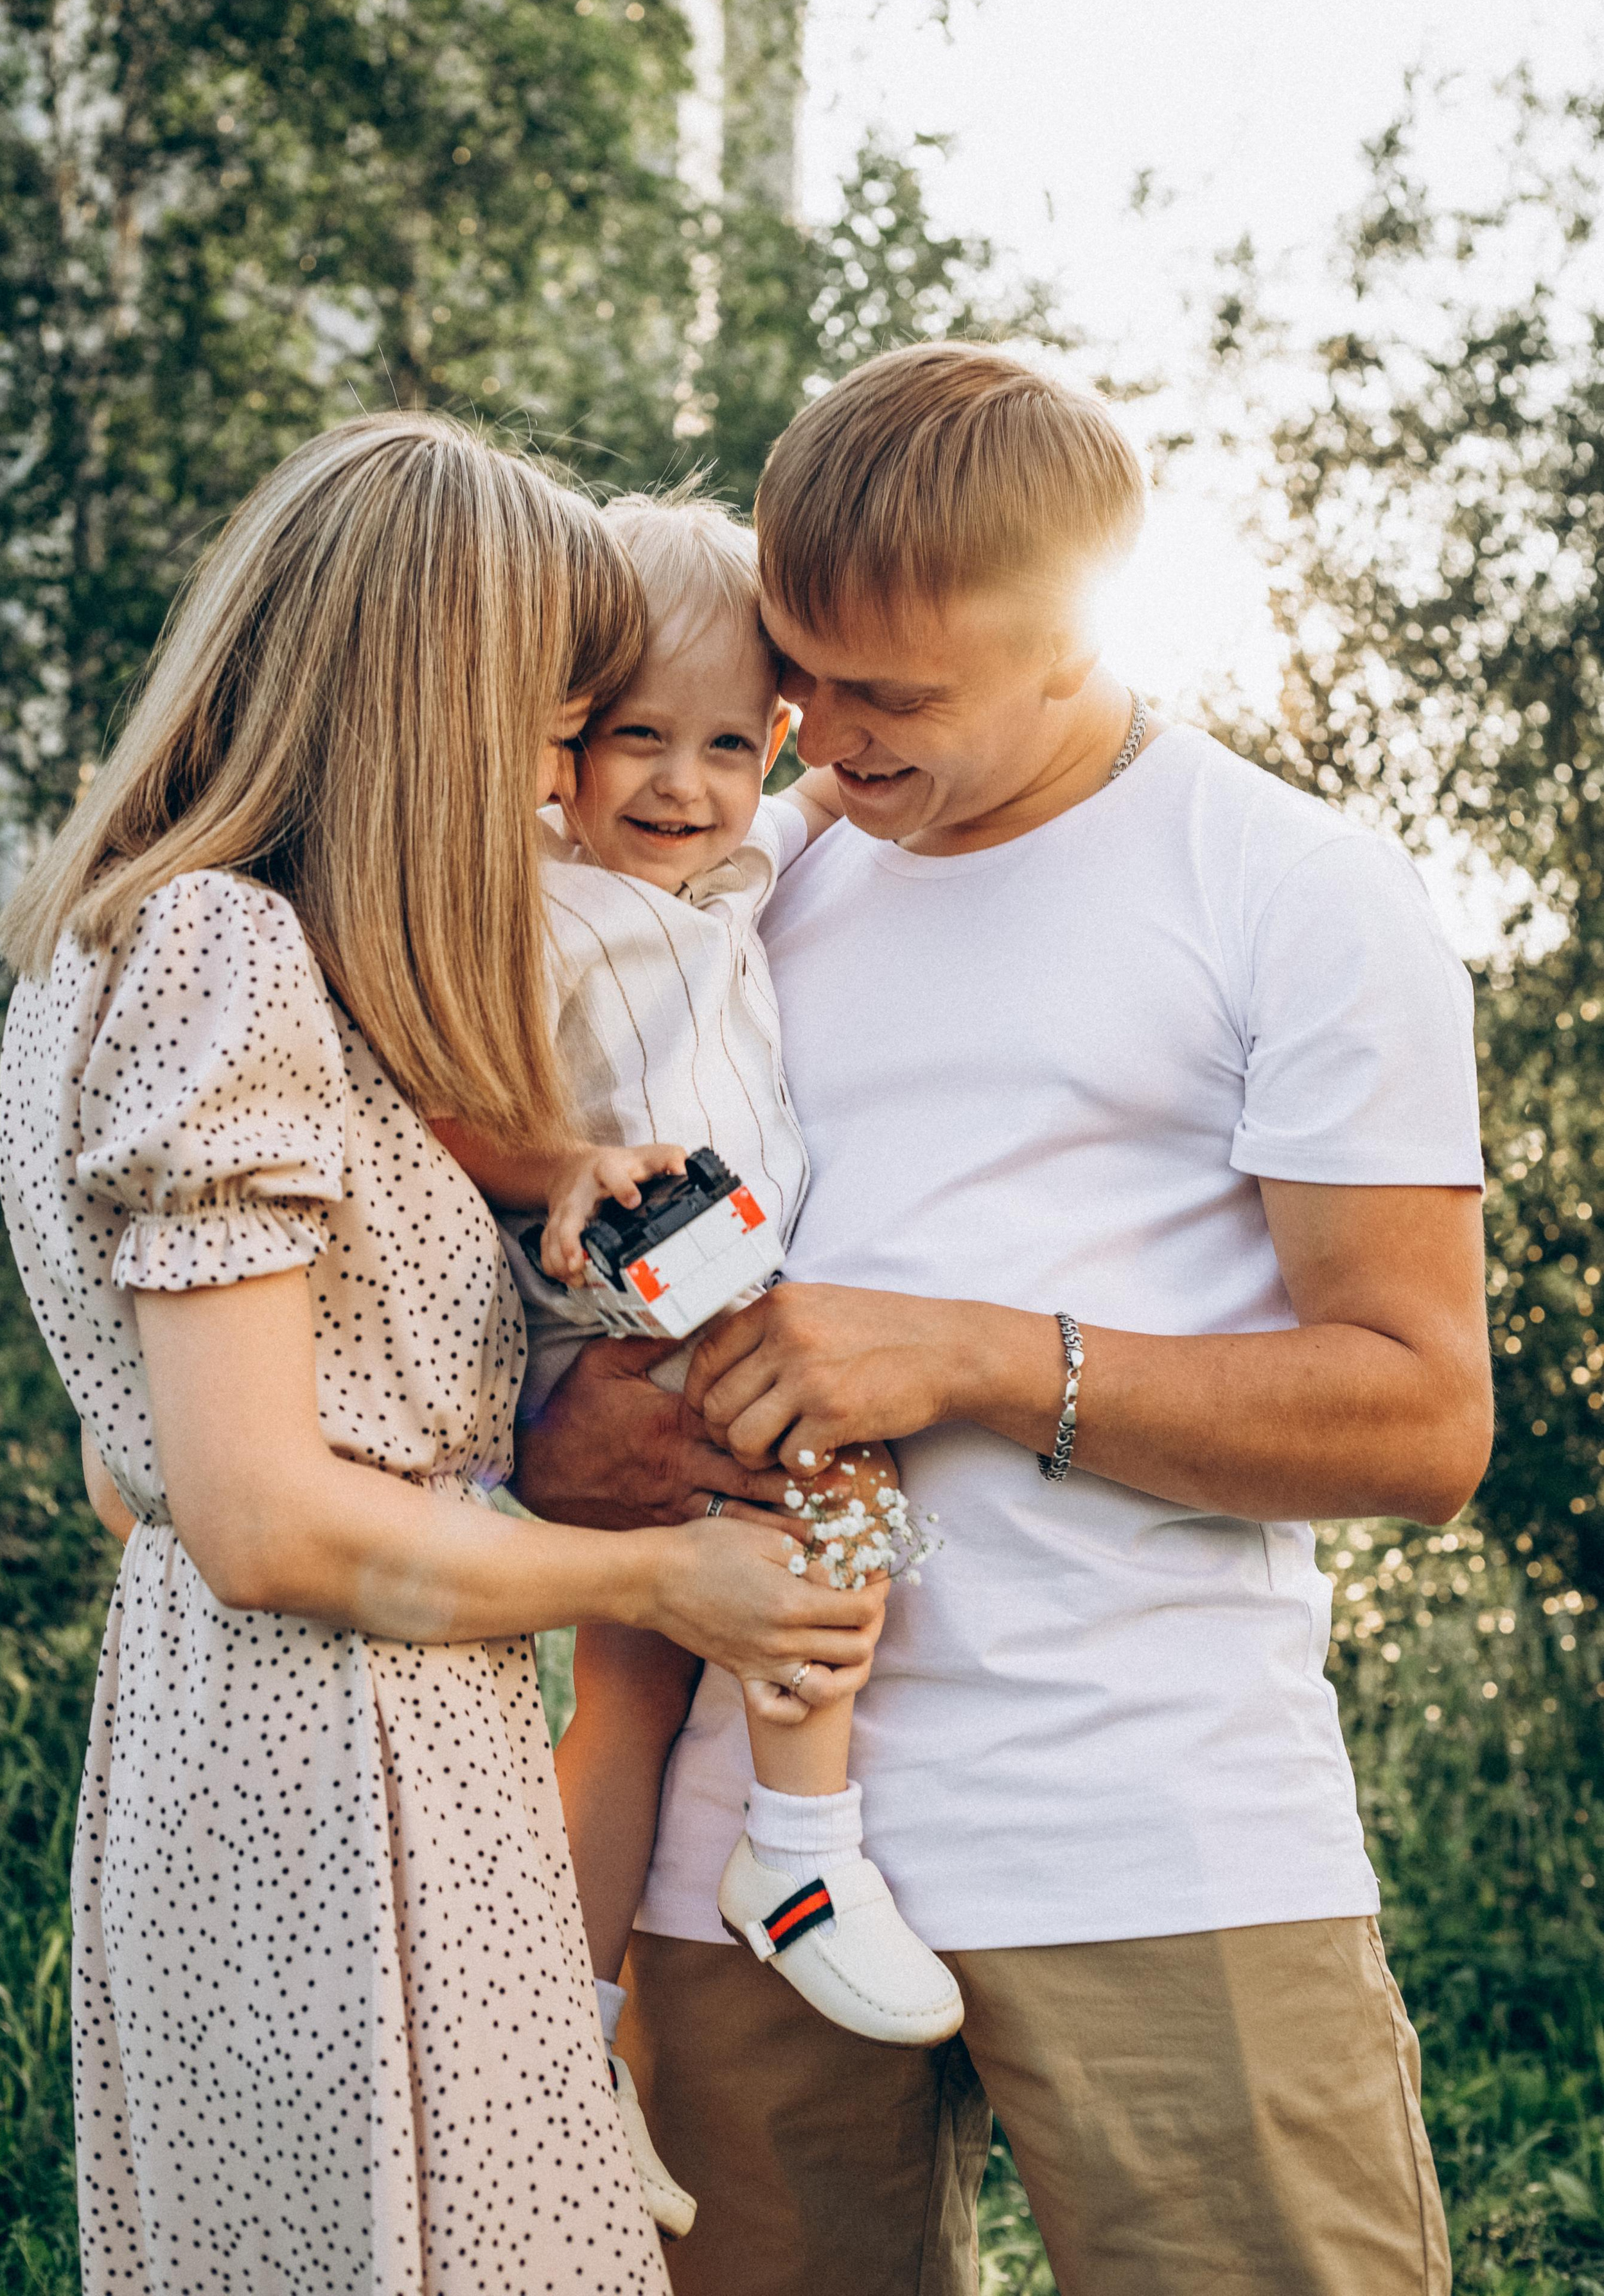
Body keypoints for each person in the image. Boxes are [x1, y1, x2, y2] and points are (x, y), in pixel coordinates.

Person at [514, 345, 1493, 2296]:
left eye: (894, 697)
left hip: (1157, 1835)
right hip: (751, 1855)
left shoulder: (1292, 890)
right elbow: (551, 1312)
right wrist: (579, 1450)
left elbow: (1420, 1419)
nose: (822, 741)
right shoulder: (747, 883)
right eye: (803, 674)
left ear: (1077, 639)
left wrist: (978, 1355)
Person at [0, 412, 883, 2296]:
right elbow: (256, 1520)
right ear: (433, 692)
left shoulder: (133, 943)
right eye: (557, 717)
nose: (565, 775)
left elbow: (124, 1465)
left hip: (244, 1749)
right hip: (347, 1776)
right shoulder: (227, 953)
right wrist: (666, 1578)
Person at [432, 495, 964, 2237]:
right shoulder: (534, 900)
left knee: (637, 1692)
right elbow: (440, 1093)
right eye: (631, 739)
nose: (681, 784)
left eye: (726, 743)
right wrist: (547, 1169)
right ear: (552, 749)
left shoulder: (741, 869)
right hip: (653, 1296)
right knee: (853, 1501)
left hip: (711, 1282)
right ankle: (804, 1856)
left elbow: (829, 803)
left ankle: (573, 2045)